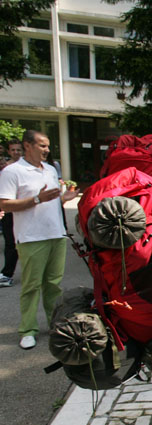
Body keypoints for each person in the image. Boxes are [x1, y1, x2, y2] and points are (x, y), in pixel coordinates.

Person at [0, 130, 78, 349]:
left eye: (47, 146)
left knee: (53, 285)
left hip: (56, 233)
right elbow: (4, 204)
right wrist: (36, 198)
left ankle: (55, 325)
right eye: (42, 146)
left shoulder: (51, 169)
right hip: (31, 237)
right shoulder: (12, 171)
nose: (46, 150)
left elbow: (50, 202)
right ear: (28, 145)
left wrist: (64, 199)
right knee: (32, 286)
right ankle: (27, 329)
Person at [0, 138, 23, 287]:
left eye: (18, 150)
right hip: (8, 211)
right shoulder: (5, 169)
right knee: (10, 243)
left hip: (24, 211)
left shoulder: (27, 168)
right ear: (9, 151)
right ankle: (7, 274)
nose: (15, 152)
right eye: (13, 150)